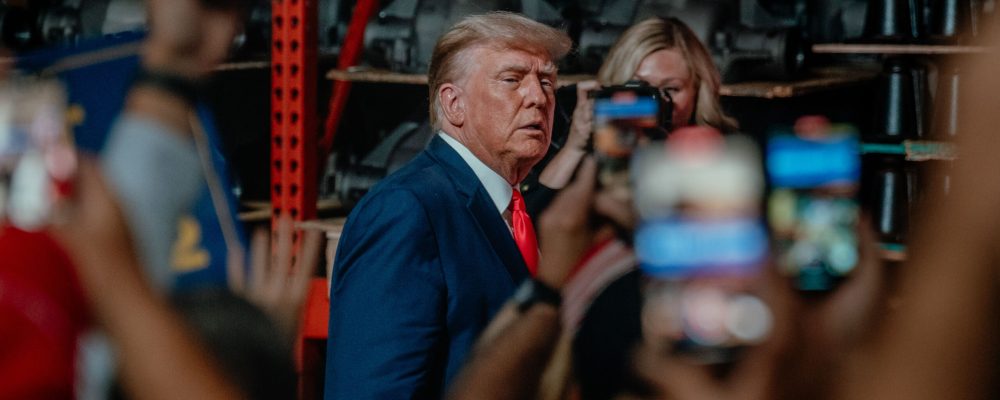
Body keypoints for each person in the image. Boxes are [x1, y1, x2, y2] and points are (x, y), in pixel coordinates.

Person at [324, 11, 572, 399]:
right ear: (453, 104)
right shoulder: (405, 211)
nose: (538, 98)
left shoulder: (515, 208)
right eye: (512, 80)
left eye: (547, 81)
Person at [523, 16, 738, 218]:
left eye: (671, 89)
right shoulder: (588, 144)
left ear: (698, 91)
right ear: (614, 86)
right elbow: (534, 224)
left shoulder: (721, 152)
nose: (656, 101)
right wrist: (576, 147)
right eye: (641, 88)